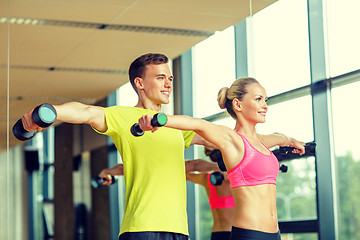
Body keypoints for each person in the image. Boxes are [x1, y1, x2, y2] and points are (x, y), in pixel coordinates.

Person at [20, 53, 212, 240]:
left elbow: (217, 139)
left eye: (170, 78)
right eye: (161, 78)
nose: (169, 84)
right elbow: (87, 112)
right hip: (142, 227)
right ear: (140, 83)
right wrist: (51, 112)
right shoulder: (124, 116)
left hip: (179, 229)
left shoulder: (175, 125)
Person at [137, 77, 306, 240]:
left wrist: (294, 142)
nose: (265, 106)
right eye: (259, 99)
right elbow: (197, 124)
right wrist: (160, 120)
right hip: (250, 234)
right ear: (238, 104)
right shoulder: (231, 140)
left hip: (274, 234)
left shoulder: (261, 142)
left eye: (266, 100)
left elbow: (280, 137)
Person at [186, 147, 235, 240]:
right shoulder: (235, 179)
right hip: (233, 234)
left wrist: (212, 166)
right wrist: (217, 167)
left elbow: (183, 173)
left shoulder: (207, 179)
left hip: (216, 234)